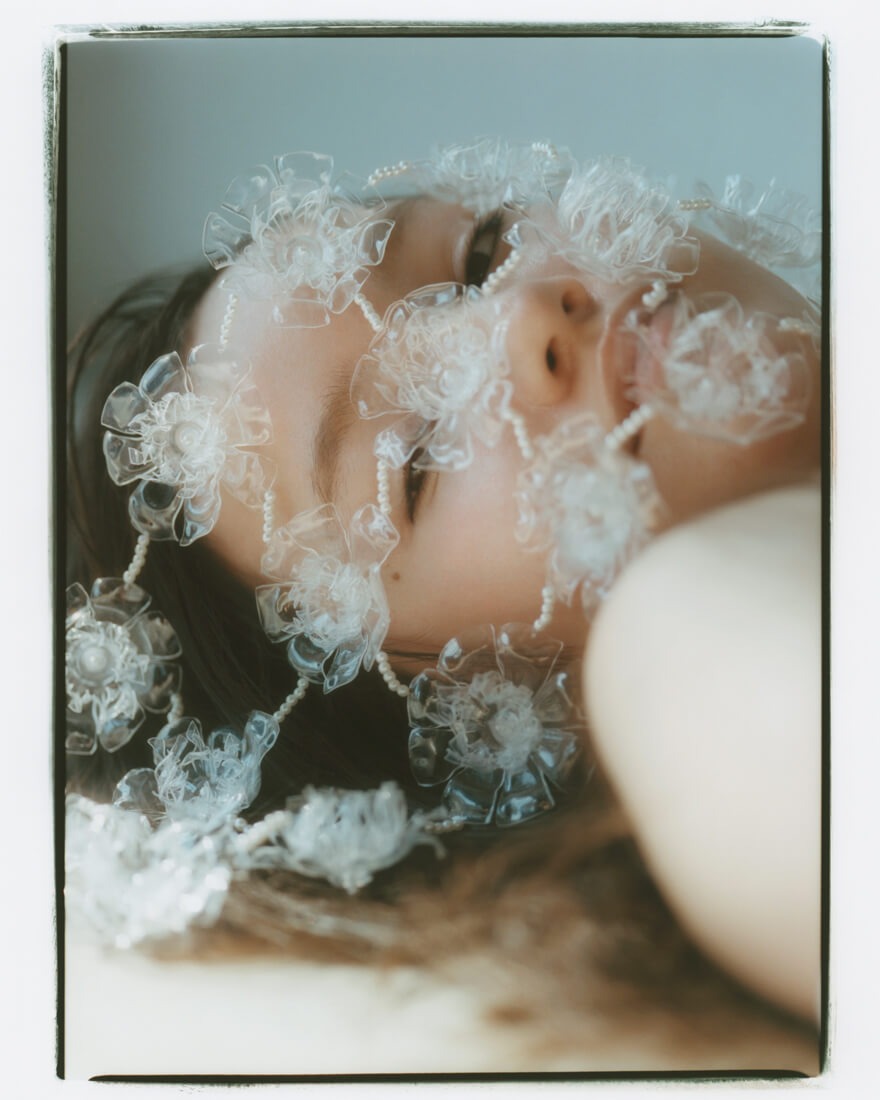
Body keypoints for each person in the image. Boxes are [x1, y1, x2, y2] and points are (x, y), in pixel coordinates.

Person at [65, 139, 821, 1066]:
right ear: (465, 735)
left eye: (481, 252)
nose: (520, 317)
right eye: (416, 463)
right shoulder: (690, 645)